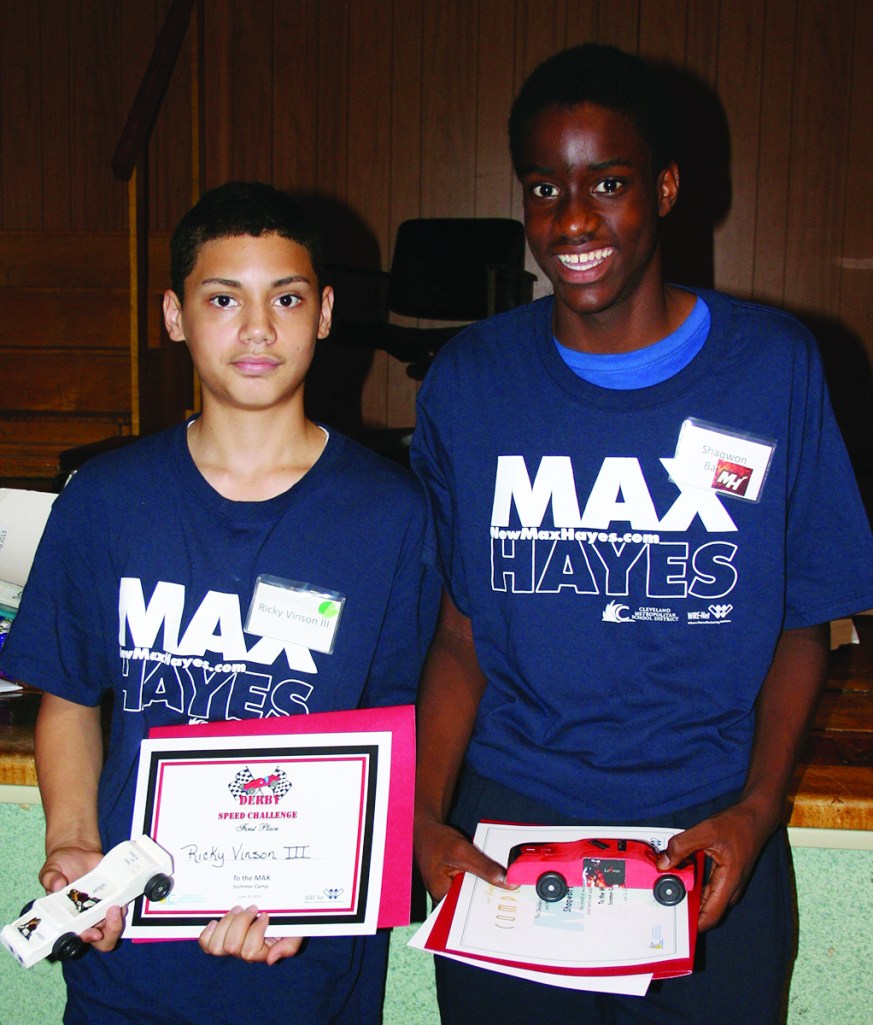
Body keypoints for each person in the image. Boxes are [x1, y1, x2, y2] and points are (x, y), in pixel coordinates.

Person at [410, 43, 873, 1024]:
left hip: (705, 828)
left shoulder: (773, 369)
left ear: (664, 187)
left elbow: (804, 619)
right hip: (512, 832)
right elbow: (460, 632)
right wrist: (422, 814)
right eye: (546, 187)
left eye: (608, 183)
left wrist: (756, 808)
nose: (573, 220)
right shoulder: (471, 381)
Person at [1, 181, 439, 1025]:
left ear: (324, 313)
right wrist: (70, 843)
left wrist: (313, 902)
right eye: (221, 298)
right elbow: (67, 698)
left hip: (308, 972)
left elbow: (393, 739)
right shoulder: (104, 499)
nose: (257, 328)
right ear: (174, 316)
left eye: (285, 297)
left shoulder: (390, 515)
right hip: (127, 963)